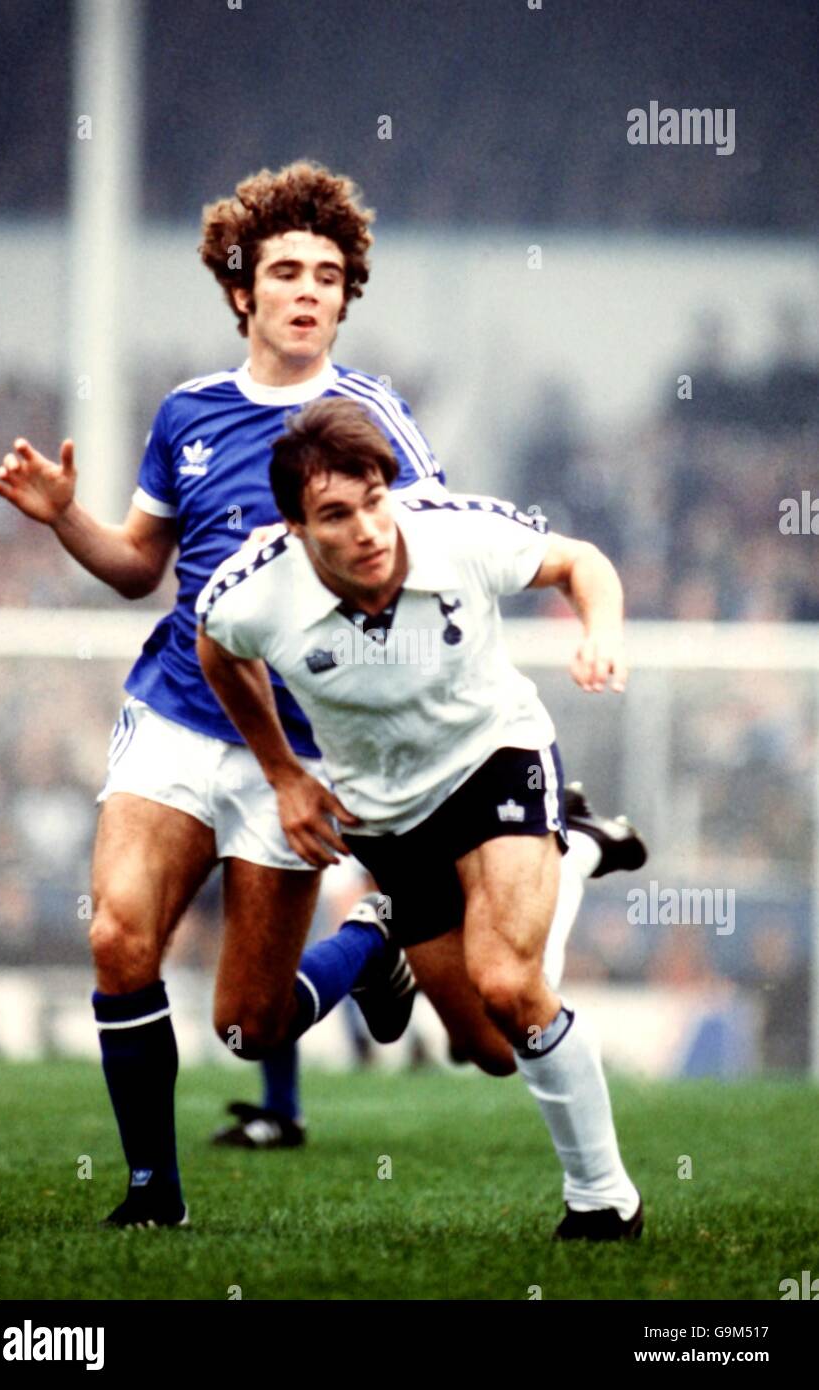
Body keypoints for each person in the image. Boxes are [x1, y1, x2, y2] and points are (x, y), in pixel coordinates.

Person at [0, 161, 642, 1224]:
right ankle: (153, 1192)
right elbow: (141, 570)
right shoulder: (186, 413)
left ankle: (400, 917)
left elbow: (424, 568)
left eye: (328, 275)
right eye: (283, 270)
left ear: (346, 297)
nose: (306, 290)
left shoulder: (370, 417)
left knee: (258, 1028)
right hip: (182, 713)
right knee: (116, 935)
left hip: (313, 750)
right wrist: (66, 517)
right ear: (239, 289)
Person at [197, 398, 643, 1239]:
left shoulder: (456, 533)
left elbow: (584, 562)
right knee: (489, 1049)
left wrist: (603, 633)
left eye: (375, 499)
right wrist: (284, 774)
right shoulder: (253, 595)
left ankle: (603, 1200)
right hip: (388, 820)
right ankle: (575, 849)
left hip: (495, 762)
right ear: (294, 527)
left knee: (511, 985)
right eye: (336, 513)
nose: (369, 528)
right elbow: (215, 651)